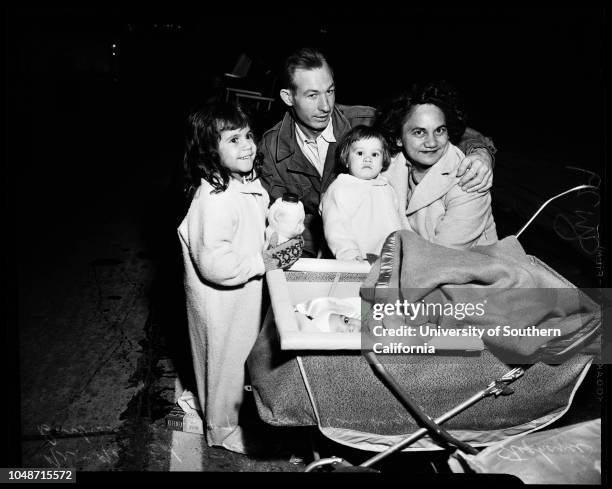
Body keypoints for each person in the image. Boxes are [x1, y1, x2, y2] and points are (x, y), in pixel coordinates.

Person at [259, 47, 496, 257]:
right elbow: (280, 221)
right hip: (315, 253)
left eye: (330, 91)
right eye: (312, 95)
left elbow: (442, 128)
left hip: (381, 254)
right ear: (288, 97)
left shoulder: (365, 121)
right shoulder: (271, 149)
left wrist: (480, 153)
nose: (325, 106)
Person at [177, 101, 303, 454]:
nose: (248, 145)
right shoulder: (214, 199)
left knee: (237, 360)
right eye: (233, 140)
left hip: (244, 296)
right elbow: (216, 265)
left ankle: (203, 406)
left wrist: (282, 224)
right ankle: (221, 429)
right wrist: (263, 262)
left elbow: (259, 221)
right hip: (220, 303)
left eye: (248, 135)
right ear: (209, 151)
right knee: (225, 364)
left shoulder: (245, 183)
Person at [376, 81, 498, 249]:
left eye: (439, 130)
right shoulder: (384, 171)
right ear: (398, 138)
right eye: (419, 132)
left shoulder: (470, 179)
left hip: (465, 270)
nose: (432, 142)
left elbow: (443, 258)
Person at [321, 125, 402, 260]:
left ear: (383, 162)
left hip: (390, 260)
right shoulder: (340, 188)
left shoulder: (387, 187)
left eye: (375, 154)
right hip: (358, 260)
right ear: (346, 159)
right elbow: (335, 226)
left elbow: (395, 222)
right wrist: (348, 253)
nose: (368, 159)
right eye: (360, 153)